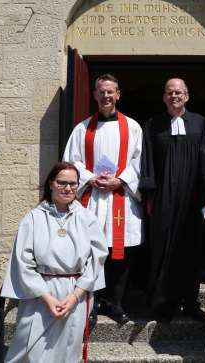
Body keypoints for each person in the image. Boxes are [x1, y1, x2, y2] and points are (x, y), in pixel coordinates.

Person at [1, 161, 108, 363]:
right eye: (62, 182)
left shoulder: (87, 218)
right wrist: (47, 299)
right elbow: (23, 262)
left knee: (67, 352)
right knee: (28, 350)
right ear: (51, 183)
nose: (68, 188)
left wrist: (76, 296)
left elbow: (97, 259)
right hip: (40, 295)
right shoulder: (33, 218)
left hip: (75, 293)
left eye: (73, 183)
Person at [63, 73, 143, 323]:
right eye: (101, 91)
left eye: (111, 91)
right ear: (95, 95)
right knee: (92, 252)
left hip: (121, 198)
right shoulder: (82, 128)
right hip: (93, 198)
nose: (106, 96)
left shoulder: (132, 127)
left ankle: (116, 303)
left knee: (120, 253)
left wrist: (121, 180)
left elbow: (139, 162)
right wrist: (89, 177)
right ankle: (93, 301)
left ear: (118, 94)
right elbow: (71, 160)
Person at [140, 77, 205, 322]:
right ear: (164, 97)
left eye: (178, 92)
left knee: (190, 251)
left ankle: (190, 303)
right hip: (163, 197)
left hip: (191, 198)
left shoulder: (201, 124)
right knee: (161, 248)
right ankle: (162, 303)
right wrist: (149, 194)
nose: (174, 96)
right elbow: (146, 161)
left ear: (187, 96)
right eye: (169, 92)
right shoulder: (153, 125)